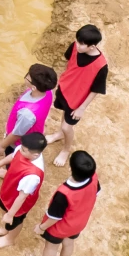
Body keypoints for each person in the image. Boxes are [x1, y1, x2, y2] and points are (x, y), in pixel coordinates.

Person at [30, 151, 99, 256]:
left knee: (51, 247)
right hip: (79, 222)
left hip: (60, 228)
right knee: (68, 243)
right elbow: (96, 193)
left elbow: (54, 218)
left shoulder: (64, 193)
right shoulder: (94, 177)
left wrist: (41, 227)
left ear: (70, 168)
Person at [51, 24, 108, 163]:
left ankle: (66, 149)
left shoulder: (101, 66)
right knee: (63, 113)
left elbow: (96, 89)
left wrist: (81, 108)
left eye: (81, 44)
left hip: (77, 100)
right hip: (65, 89)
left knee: (67, 126)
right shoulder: (75, 47)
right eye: (77, 40)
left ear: (92, 46)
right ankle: (59, 134)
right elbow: (69, 63)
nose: (77, 45)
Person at [0, 132, 48, 247]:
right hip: (9, 190)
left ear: (35, 155)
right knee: (3, 206)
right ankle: (4, 229)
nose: (20, 150)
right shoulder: (24, 149)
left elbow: (22, 197)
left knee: (15, 222)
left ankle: (10, 238)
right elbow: (13, 155)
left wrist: (11, 214)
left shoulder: (33, 175)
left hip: (19, 203)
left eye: (23, 150)